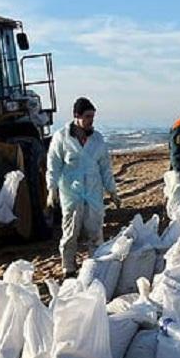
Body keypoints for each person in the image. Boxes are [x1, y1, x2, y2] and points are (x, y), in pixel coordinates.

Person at [46, 97, 119, 277]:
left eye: (93, 117)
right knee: (70, 234)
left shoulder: (97, 139)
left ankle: (96, 267)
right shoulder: (61, 138)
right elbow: (53, 165)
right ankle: (68, 268)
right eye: (87, 116)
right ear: (76, 116)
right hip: (71, 194)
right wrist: (51, 189)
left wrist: (112, 191)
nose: (91, 120)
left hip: (93, 194)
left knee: (95, 234)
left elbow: (105, 168)